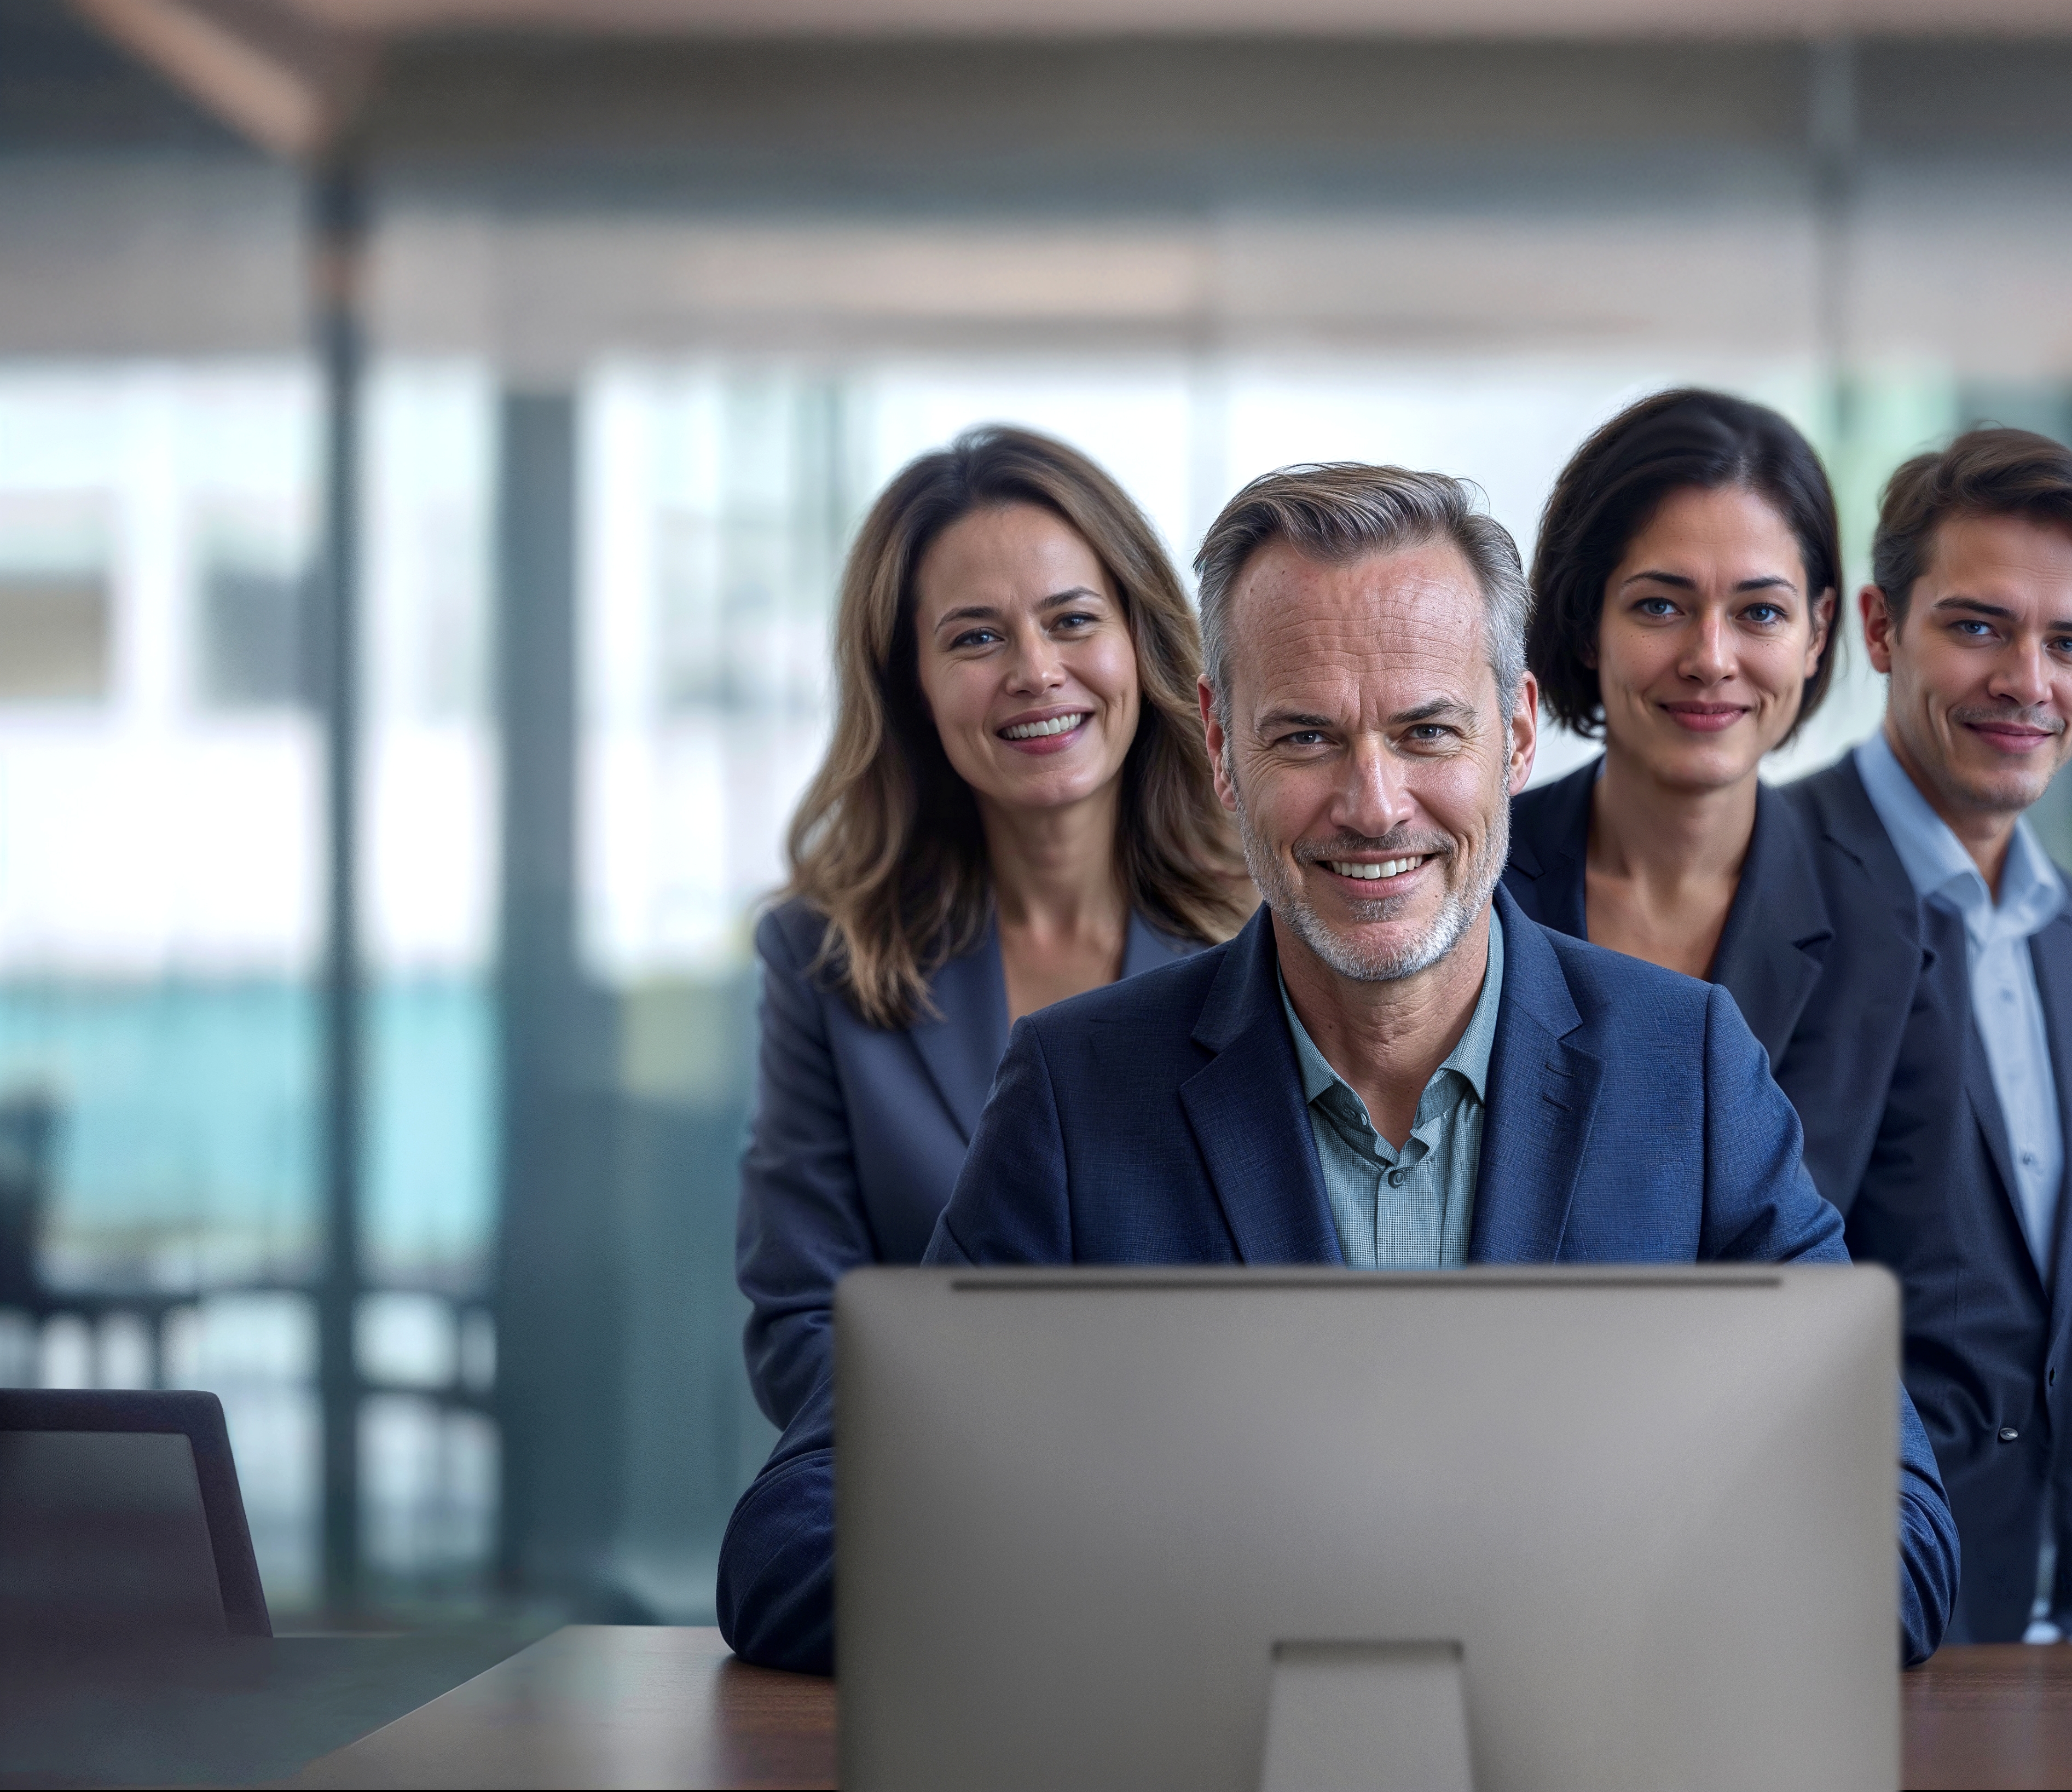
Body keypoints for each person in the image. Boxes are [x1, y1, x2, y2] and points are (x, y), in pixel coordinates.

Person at [718, 460, 1958, 1674]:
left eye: (1428, 731)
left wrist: (1586, 1601)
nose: (1373, 803)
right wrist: (1180, 1585)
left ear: (1516, 732)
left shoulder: (1685, 1067)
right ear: (1219, 744)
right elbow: (790, 1543)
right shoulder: (1077, 1093)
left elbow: (1897, 1536)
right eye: (1305, 735)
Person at [719, 426, 1249, 1664]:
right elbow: (804, 1311)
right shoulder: (823, 956)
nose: (1035, 671)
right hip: (952, 1514)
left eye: (1072, 620)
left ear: (1138, 641)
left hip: (1228, 1519)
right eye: (975, 636)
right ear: (907, 683)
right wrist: (1008, 1480)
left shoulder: (1272, 932)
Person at [1795, 425, 2072, 1645]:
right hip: (1847, 1610)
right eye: (1980, 626)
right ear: (1882, 629)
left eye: (2071, 642)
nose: (2028, 682)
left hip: (2042, 1622)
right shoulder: (1768, 882)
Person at [1501, 388, 1963, 1246]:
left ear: (1819, 632)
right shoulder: (1469, 886)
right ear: (1587, 623)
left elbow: (1918, 1286)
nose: (1711, 658)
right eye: (1660, 605)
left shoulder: (1901, 927)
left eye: (1760, 612)